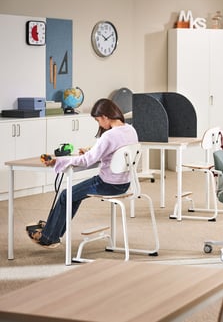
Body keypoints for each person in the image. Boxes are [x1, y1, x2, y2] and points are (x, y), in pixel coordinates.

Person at [26, 98, 139, 248]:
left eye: (98, 120)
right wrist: (92, 151)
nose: (99, 124)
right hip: (124, 183)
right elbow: (113, 152)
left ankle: (49, 237)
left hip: (107, 184)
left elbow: (86, 161)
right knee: (73, 196)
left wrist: (57, 161)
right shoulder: (130, 129)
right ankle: (53, 230)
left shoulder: (109, 136)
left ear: (105, 117)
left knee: (66, 195)